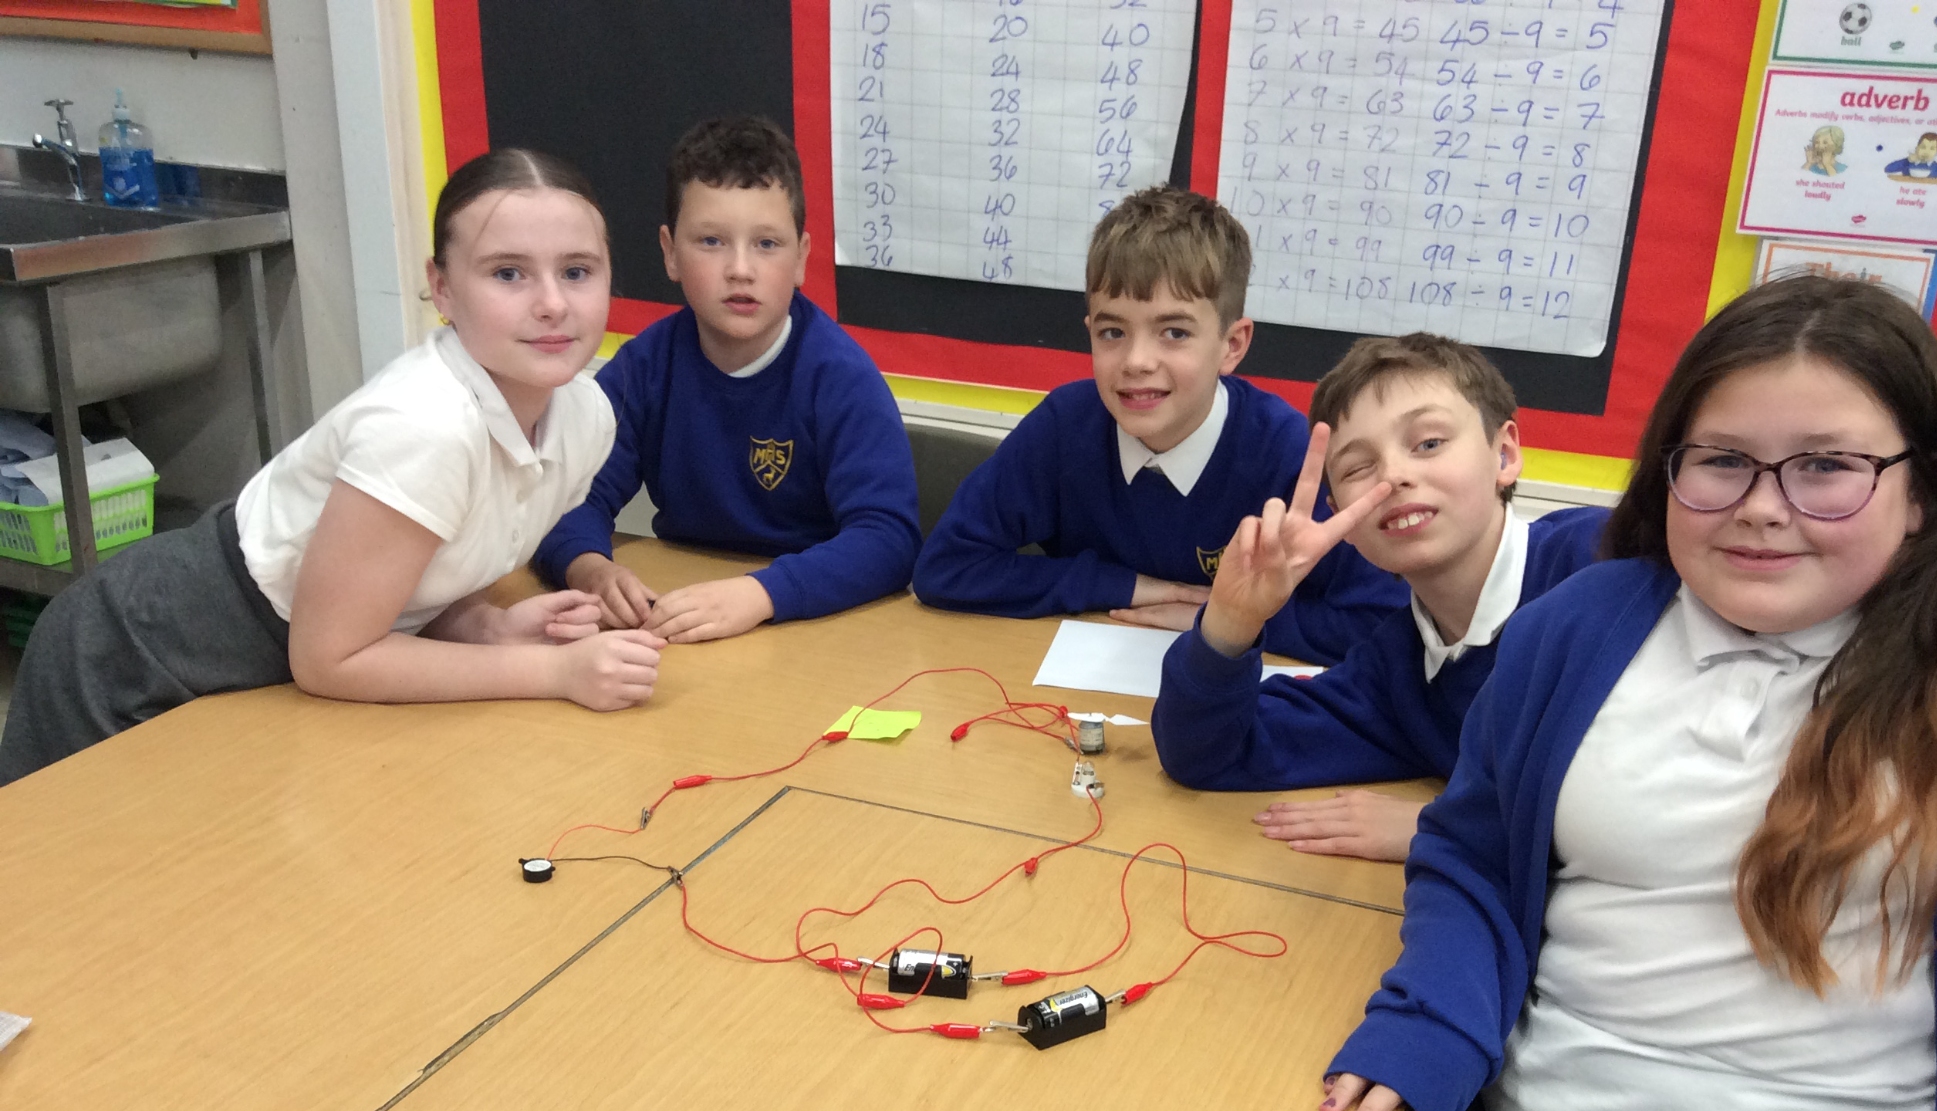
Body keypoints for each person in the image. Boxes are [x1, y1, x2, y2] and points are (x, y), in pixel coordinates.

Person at [1299, 275, 1937, 1111]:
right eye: (1718, 461)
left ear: (1922, 482)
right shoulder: (1584, 622)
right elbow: (1469, 852)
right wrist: (1429, 1023)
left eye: (1824, 467)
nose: (1761, 508)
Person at [0, 148, 664, 785]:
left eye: (577, 271)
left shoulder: (584, 417)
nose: (552, 303)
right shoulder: (426, 425)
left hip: (276, 671)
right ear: (442, 288)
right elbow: (332, 659)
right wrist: (556, 674)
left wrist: (483, 626)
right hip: (134, 656)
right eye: (508, 274)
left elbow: (420, 570)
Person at [1151, 334, 1606, 863]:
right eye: (1357, 468)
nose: (1393, 476)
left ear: (1503, 454)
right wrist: (1232, 621)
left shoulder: (1605, 563)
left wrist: (1444, 827)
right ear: (1340, 518)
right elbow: (1204, 754)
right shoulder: (1398, 672)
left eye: (1428, 443)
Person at [910, 185, 1405, 667]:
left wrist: (1230, 619)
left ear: (1232, 345)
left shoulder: (1290, 455)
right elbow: (946, 568)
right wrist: (1124, 586)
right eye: (1113, 332)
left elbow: (1385, 624)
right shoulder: (1065, 427)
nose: (1137, 361)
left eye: (1174, 332)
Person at [532, 116, 919, 643]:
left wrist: (761, 594)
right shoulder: (644, 367)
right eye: (711, 241)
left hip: (814, 625)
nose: (740, 269)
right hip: (686, 611)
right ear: (670, 252)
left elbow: (888, 539)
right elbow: (564, 493)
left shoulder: (840, 378)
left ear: (802, 259)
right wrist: (589, 566)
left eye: (767, 244)